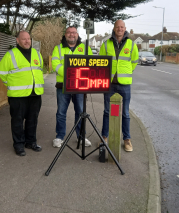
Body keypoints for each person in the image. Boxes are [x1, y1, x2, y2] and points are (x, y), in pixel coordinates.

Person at [0, 31, 44, 156]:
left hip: (35, 94)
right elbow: (2, 73)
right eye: (24, 39)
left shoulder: (37, 54)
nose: (27, 41)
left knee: (32, 120)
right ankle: (18, 145)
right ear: (17, 40)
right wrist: (11, 85)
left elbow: (39, 70)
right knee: (17, 121)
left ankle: (31, 142)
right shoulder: (10, 55)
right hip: (18, 96)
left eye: (28, 38)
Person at [99, 20, 138, 152]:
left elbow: (134, 62)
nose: (120, 29)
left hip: (124, 85)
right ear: (114, 29)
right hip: (109, 84)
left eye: (122, 27)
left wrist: (125, 73)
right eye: (117, 27)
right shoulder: (106, 44)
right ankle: (104, 137)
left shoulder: (131, 45)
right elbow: (101, 61)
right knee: (107, 112)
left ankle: (127, 140)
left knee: (125, 113)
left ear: (125, 28)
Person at [51, 26, 93, 148]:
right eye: (69, 33)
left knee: (80, 111)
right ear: (65, 35)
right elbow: (55, 65)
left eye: (73, 32)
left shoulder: (85, 48)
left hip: (80, 86)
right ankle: (59, 137)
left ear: (77, 34)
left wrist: (77, 74)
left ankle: (81, 136)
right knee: (61, 112)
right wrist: (73, 74)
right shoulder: (58, 48)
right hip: (63, 86)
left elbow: (91, 64)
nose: (71, 35)